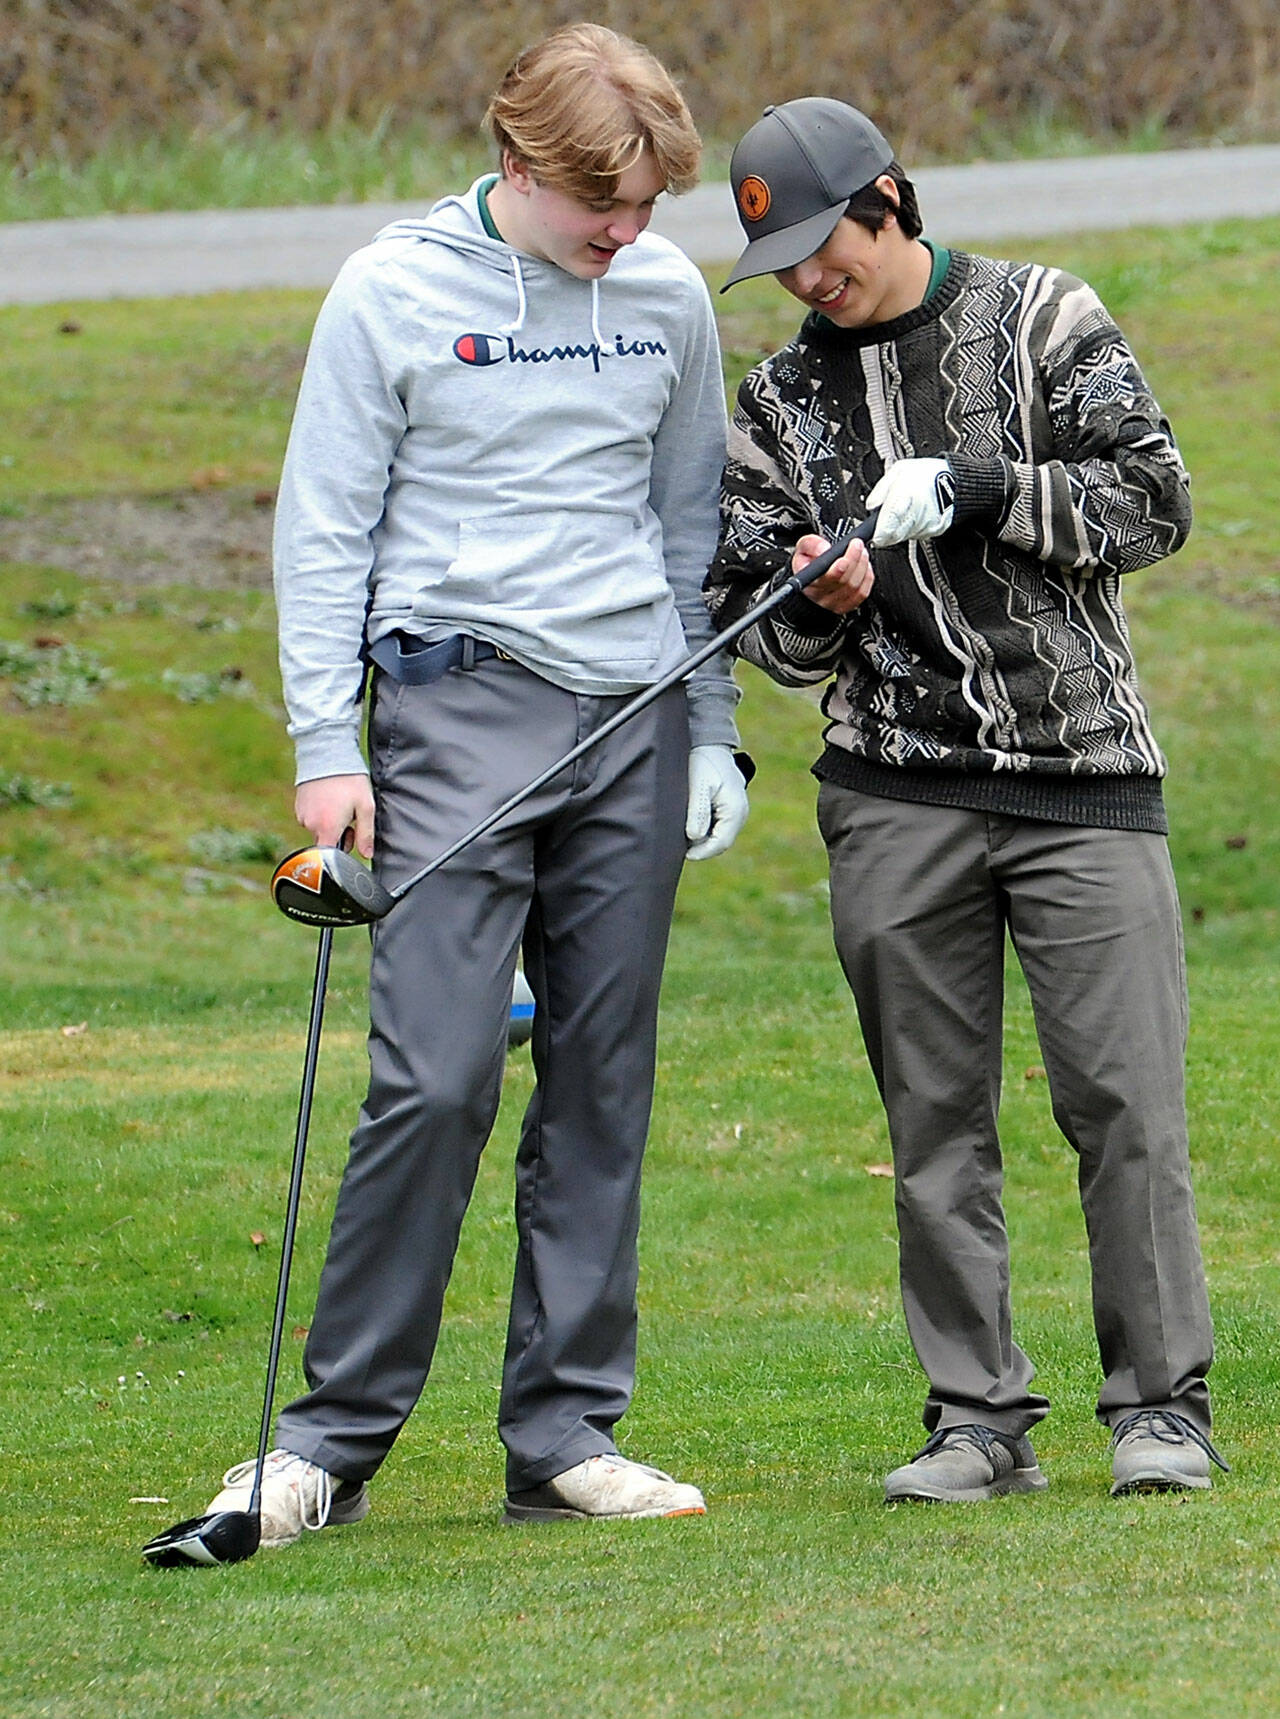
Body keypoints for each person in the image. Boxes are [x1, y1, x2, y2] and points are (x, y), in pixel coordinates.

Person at [204, 23, 748, 1545]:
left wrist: (710, 730)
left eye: (646, 207)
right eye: (601, 206)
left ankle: (565, 1434)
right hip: (458, 707)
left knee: (601, 1075)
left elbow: (688, 520)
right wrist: (327, 749)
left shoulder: (663, 297)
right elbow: (323, 529)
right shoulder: (391, 291)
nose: (628, 234)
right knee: (435, 1074)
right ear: (516, 164)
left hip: (631, 709)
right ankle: (326, 1445)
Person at [705, 97, 1225, 1502]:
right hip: (895, 792)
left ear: (892, 201)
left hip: (1083, 781)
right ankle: (977, 1423)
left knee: (1125, 1107)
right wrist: (822, 598)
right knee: (933, 1120)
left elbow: (1154, 501)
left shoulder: (1049, 317)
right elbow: (756, 623)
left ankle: (1161, 1409)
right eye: (788, 265)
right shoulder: (778, 403)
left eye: (828, 247)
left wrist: (988, 486)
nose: (814, 281)